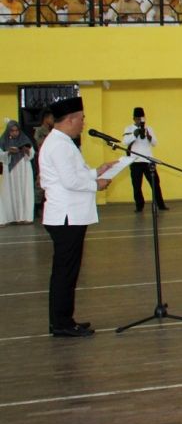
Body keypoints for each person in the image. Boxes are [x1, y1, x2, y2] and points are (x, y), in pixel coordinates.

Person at [39, 96, 117, 337]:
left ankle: (63, 319)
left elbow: (75, 174)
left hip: (70, 214)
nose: (83, 123)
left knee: (67, 271)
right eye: (81, 119)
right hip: (66, 216)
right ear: (70, 119)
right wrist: (98, 184)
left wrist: (96, 171)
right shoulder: (59, 145)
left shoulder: (61, 142)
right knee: (65, 272)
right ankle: (62, 323)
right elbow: (71, 181)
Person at [122, 106, 168, 212]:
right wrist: (135, 134)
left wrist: (149, 137)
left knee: (155, 183)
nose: (140, 121)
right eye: (138, 119)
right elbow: (124, 142)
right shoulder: (128, 128)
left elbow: (155, 143)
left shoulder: (149, 128)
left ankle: (161, 205)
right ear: (134, 118)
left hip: (148, 160)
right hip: (135, 161)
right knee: (137, 185)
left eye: (142, 119)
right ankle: (139, 206)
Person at [2, 119, 36, 224]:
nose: (15, 133)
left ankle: (25, 217)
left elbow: (32, 153)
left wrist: (27, 151)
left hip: (23, 168)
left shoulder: (24, 139)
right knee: (11, 191)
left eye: (16, 130)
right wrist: (8, 152)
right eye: (12, 131)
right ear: (8, 131)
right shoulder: (3, 141)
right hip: (9, 170)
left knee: (25, 190)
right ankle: (13, 217)